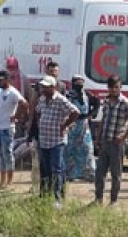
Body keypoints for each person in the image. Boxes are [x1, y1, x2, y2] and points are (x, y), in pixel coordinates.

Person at [34, 75, 79, 208]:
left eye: (46, 87)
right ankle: (44, 195)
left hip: (56, 140)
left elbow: (75, 112)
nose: (42, 89)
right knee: (45, 169)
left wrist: (64, 125)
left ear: (53, 88)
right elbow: (38, 112)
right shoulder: (42, 99)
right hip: (44, 140)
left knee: (56, 169)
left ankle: (57, 197)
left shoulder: (60, 100)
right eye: (42, 86)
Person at [93, 75, 128, 205]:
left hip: (117, 143)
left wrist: (123, 137)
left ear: (120, 87)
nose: (114, 90)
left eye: (116, 87)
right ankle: (98, 198)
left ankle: (113, 200)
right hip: (105, 141)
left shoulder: (125, 103)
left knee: (116, 174)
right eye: (111, 87)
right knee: (100, 172)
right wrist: (97, 138)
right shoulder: (106, 102)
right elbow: (103, 121)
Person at [0, 70, 28, 189]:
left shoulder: (13, 92)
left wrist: (16, 116)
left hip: (7, 128)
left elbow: (24, 104)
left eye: (1, 80)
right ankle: (2, 180)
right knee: (0, 154)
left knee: (7, 154)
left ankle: (9, 181)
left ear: (7, 80)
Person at [65, 74, 99, 182]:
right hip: (72, 125)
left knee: (86, 149)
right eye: (76, 82)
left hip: (84, 126)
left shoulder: (87, 95)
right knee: (69, 149)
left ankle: (89, 173)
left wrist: (92, 113)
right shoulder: (68, 96)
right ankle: (70, 174)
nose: (79, 84)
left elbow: (97, 102)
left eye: (81, 82)